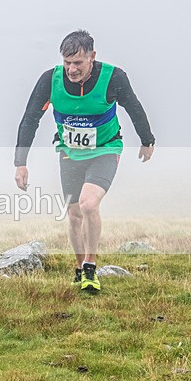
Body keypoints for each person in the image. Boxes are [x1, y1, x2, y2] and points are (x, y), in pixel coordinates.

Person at [14, 30, 155, 291]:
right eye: (67, 62)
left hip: (105, 149)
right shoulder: (50, 80)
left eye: (78, 62)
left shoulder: (114, 78)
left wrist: (147, 140)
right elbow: (30, 118)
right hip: (69, 153)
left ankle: (91, 266)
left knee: (89, 205)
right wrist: (20, 162)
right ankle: (80, 268)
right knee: (75, 213)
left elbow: (134, 107)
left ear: (92, 57)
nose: (71, 69)